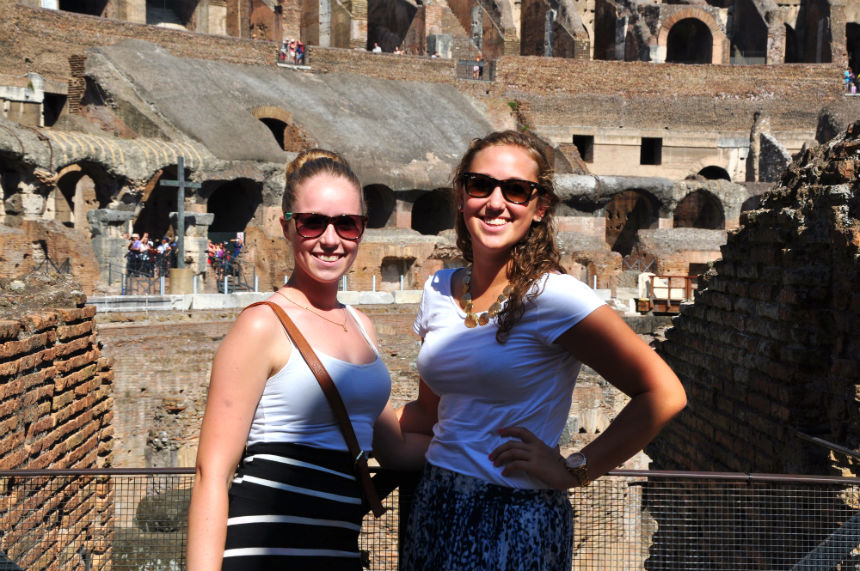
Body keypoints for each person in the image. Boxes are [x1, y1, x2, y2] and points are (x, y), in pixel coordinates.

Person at [398, 130, 687, 571]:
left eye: (516, 190)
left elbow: (664, 393)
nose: (496, 202)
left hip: (516, 514)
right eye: (480, 185)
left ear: (539, 207)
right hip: (435, 499)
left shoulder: (555, 297)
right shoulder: (439, 288)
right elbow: (430, 413)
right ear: (461, 197)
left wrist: (576, 469)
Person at [186, 149, 427, 571]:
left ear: (361, 231)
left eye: (346, 224)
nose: (330, 239)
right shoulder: (262, 325)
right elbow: (213, 474)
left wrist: (487, 435)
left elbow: (397, 451)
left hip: (336, 554)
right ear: (288, 228)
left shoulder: (363, 327)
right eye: (313, 222)